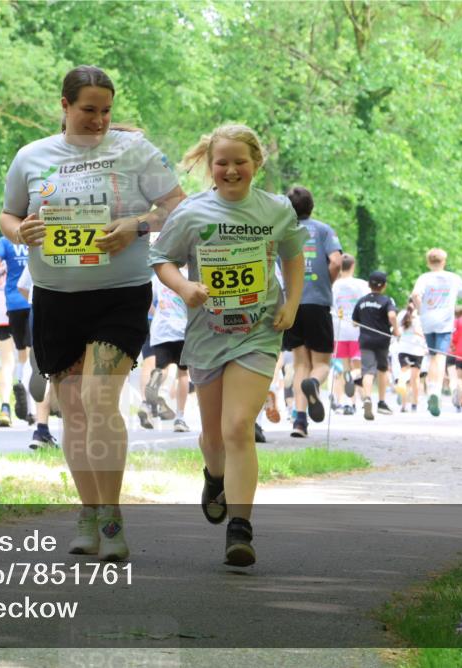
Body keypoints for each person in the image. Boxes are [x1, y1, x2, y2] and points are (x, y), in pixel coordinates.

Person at [0, 65, 185, 561]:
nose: (99, 120)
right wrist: (21, 232)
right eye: (88, 110)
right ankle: (87, 511)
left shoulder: (135, 152)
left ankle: (112, 517)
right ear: (64, 105)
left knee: (101, 398)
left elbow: (176, 206)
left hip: (119, 292)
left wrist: (137, 225)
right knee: (75, 411)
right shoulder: (32, 156)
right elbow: (9, 213)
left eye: (106, 110)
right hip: (57, 295)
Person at [151, 123, 306, 566]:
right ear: (210, 165)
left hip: (258, 330)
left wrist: (292, 304)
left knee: (239, 425)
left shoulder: (276, 210)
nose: (232, 170)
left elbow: (294, 258)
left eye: (241, 162)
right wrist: (185, 288)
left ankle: (240, 529)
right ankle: (215, 475)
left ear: (256, 163)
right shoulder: (192, 212)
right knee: (214, 435)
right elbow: (162, 259)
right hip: (208, 332)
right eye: (223, 162)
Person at [281, 186, 342, 438]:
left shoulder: (283, 232)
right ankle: (315, 384)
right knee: (321, 365)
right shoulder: (323, 230)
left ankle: (299, 421)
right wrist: (325, 282)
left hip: (291, 304)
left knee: (299, 364)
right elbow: (337, 261)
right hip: (317, 303)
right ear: (311, 206)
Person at [410, 248, 462, 416]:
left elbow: (415, 294)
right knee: (440, 357)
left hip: (427, 320)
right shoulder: (453, 278)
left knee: (432, 356)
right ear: (444, 262)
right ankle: (435, 391)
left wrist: (422, 309)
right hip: (444, 322)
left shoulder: (424, 277)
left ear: (428, 262)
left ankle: (432, 389)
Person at [0, 235, 34, 424]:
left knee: (7, 361)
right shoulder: (37, 232)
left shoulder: (5, 241)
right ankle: (30, 407)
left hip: (8, 306)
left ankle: (5, 407)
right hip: (31, 301)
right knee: (30, 357)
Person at [16, 264, 60, 449]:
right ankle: (60, 403)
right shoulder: (81, 245)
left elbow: (22, 286)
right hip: (70, 303)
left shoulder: (40, 248)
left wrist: (33, 301)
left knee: (43, 367)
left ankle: (41, 430)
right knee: (69, 366)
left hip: (40, 305)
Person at [146, 270, 191, 432]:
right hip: (183, 328)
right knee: (183, 373)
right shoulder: (189, 275)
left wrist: (157, 313)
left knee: (162, 368)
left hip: (162, 328)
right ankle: (180, 417)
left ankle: (152, 392)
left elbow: (147, 300)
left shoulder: (159, 275)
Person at [351, 271, 399, 420]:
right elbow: (391, 316)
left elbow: (354, 322)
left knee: (368, 371)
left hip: (365, 340)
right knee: (382, 370)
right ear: (384, 286)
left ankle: (367, 398)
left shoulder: (362, 301)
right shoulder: (387, 300)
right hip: (382, 340)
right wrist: (396, 329)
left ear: (368, 285)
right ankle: (382, 402)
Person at [331, 253, 369, 415]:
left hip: (339, 330)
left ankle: (348, 402)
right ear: (353, 266)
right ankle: (355, 400)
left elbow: (331, 307)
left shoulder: (334, 285)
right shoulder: (362, 285)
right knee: (359, 368)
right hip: (357, 330)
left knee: (345, 368)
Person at [396, 300, 426, 413]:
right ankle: (414, 404)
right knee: (415, 378)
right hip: (417, 350)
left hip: (403, 349)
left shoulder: (401, 315)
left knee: (404, 376)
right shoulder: (419, 317)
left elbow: (397, 331)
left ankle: (403, 405)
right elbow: (419, 331)